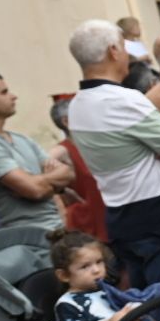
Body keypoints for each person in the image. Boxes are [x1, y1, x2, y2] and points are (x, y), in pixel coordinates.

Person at [67, 19, 160, 314]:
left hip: (122, 217)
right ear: (114, 51)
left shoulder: (77, 105)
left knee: (149, 309)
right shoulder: (123, 99)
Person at [0, 71, 73, 234]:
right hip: (28, 239)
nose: (14, 96)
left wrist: (40, 182)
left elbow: (68, 173)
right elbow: (35, 190)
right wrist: (48, 183)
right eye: (4, 92)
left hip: (58, 230)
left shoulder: (21, 139)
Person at [51, 228, 160, 321]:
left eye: (99, 262)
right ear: (64, 275)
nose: (96, 270)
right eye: (85, 266)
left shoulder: (104, 288)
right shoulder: (66, 304)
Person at [49, 95, 106, 241]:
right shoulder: (64, 150)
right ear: (66, 122)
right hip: (89, 223)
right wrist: (63, 191)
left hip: (110, 217)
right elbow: (43, 162)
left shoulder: (95, 143)